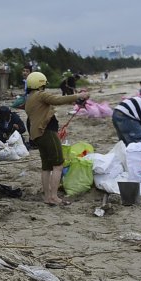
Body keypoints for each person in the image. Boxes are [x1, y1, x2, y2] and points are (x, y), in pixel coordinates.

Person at [24, 72, 88, 206]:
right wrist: (78, 96)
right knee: (58, 164)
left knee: (46, 167)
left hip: (37, 135)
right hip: (47, 133)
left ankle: (47, 197)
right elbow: (57, 100)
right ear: (40, 84)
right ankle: (54, 197)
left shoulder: (29, 98)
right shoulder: (40, 95)